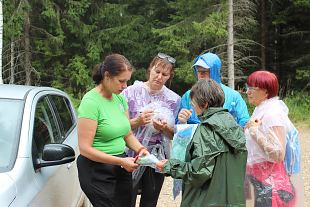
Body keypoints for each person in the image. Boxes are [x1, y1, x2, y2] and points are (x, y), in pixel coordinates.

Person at [156, 79, 248, 207]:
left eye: (194, 106)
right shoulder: (236, 128)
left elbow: (198, 172)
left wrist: (170, 166)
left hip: (205, 201)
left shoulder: (206, 131)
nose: (194, 110)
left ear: (204, 104)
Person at [77, 54, 149, 207]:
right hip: (96, 169)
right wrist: (120, 161)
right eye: (121, 81)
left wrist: (140, 149)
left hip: (120, 165)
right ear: (107, 76)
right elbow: (84, 149)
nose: (125, 86)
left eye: (127, 81)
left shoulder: (120, 99)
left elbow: (127, 133)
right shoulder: (90, 102)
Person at [121, 52, 181, 207]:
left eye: (165, 74)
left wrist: (164, 128)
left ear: (169, 76)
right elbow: (120, 127)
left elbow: (173, 134)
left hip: (156, 155)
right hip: (132, 153)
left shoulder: (173, 99)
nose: (159, 77)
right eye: (157, 71)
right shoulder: (130, 93)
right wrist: (138, 121)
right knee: (127, 198)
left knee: (150, 200)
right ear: (150, 70)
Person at [244, 70, 303, 206]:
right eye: (248, 87)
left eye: (253, 88)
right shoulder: (262, 108)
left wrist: (254, 132)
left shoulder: (272, 113)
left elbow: (278, 154)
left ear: (266, 92)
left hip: (271, 184)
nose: (248, 92)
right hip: (260, 180)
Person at [177, 52, 250, 127]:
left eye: (204, 72)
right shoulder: (188, 96)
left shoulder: (233, 96)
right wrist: (182, 122)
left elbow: (244, 122)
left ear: (214, 72)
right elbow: (179, 129)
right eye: (198, 71)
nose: (200, 75)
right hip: (195, 137)